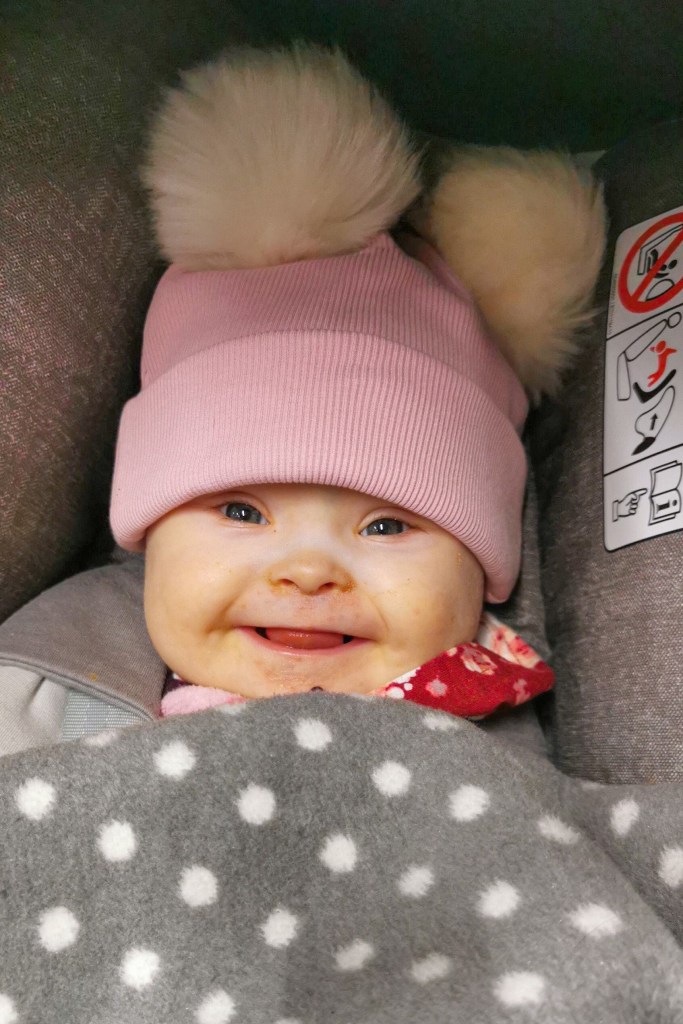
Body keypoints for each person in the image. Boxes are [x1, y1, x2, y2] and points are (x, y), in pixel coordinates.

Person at [0, 43, 606, 743]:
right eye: (240, 510)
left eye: (387, 526)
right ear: (148, 537)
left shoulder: (495, 720)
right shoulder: (48, 685)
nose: (309, 571)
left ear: (481, 577)